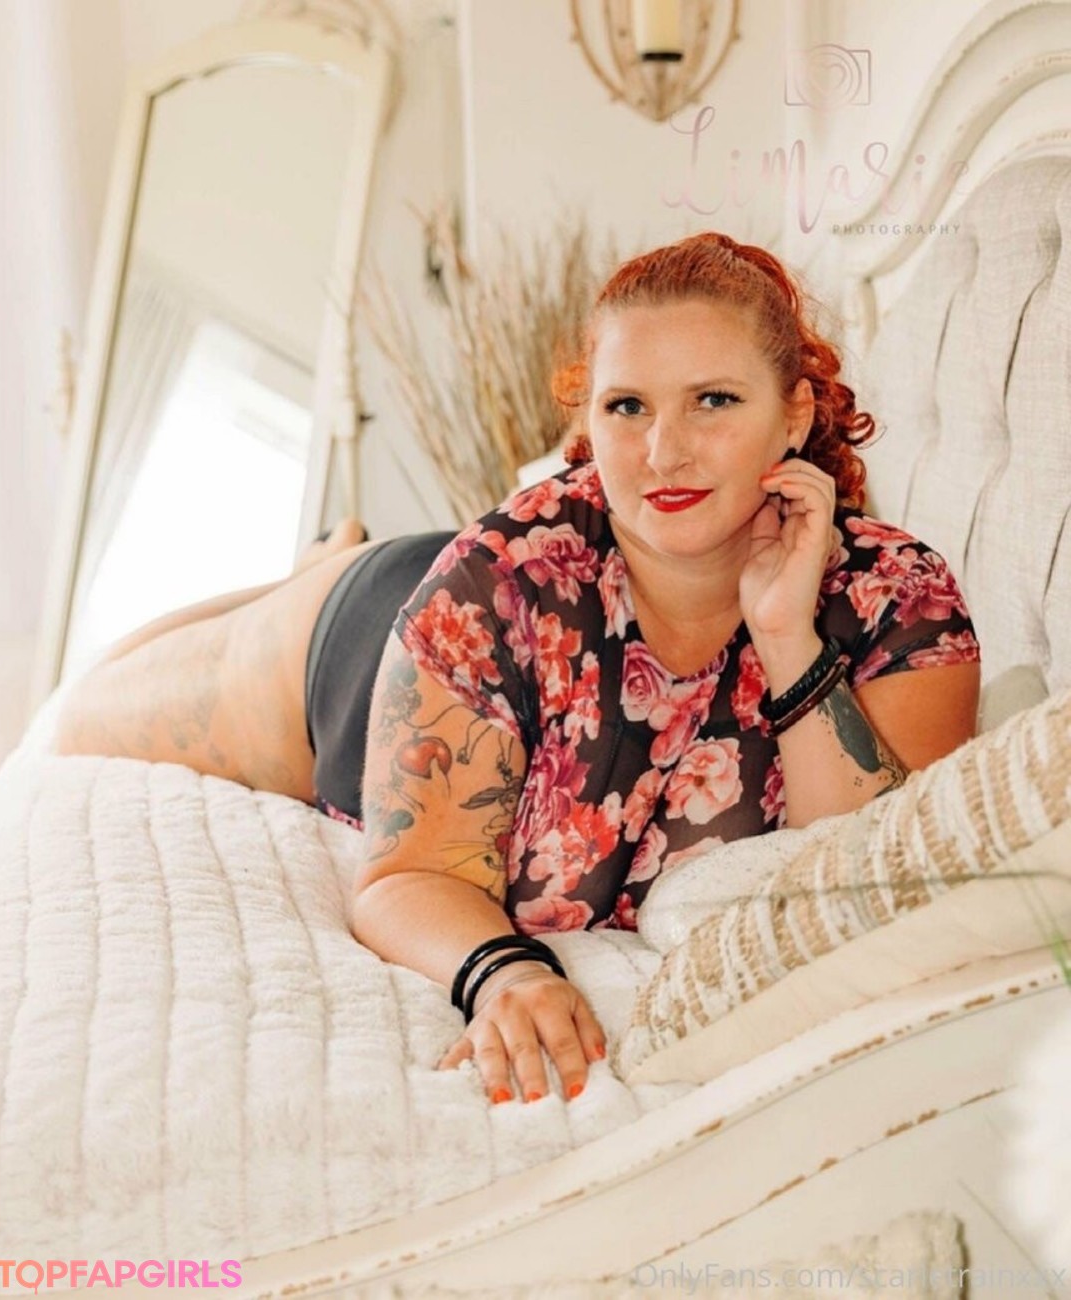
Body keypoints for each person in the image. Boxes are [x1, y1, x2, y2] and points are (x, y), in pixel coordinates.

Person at [54, 231, 981, 1108]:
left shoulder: (900, 605)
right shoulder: (501, 575)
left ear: (795, 414)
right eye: (627, 406)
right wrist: (505, 974)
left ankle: (324, 558)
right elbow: (404, 875)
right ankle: (320, 572)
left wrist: (787, 639)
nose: (664, 452)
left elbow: (870, 883)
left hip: (491, 600)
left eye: (714, 400)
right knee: (81, 712)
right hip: (363, 648)